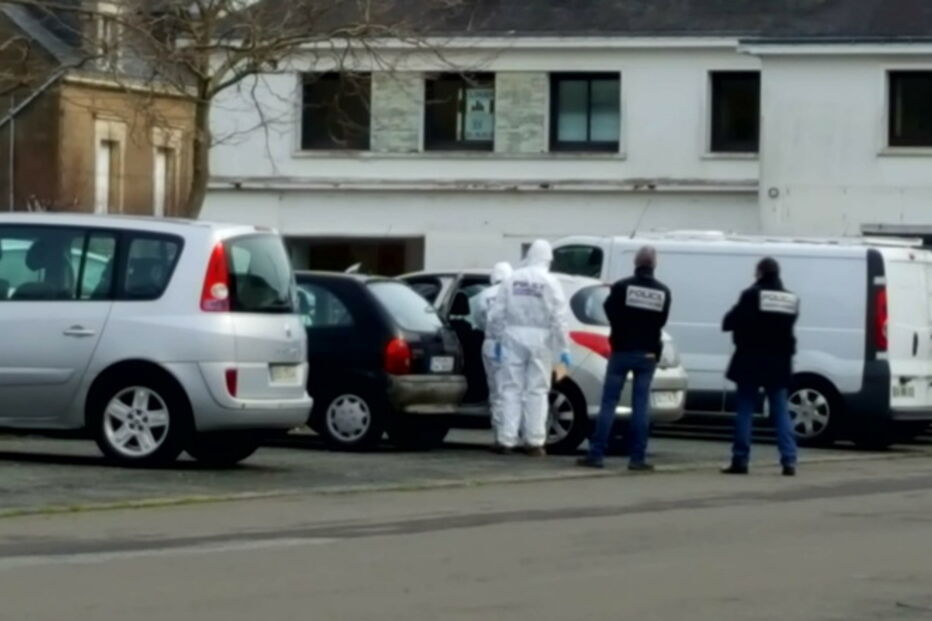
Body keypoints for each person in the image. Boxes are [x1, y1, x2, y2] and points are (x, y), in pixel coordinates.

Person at [578, 246, 671, 472]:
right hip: (648, 353)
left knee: (609, 403)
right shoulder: (663, 292)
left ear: (635, 264)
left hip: (621, 351)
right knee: (641, 406)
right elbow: (661, 321)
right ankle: (637, 458)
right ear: (654, 265)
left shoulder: (622, 287)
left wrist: (622, 329)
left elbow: (609, 310)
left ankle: (597, 454)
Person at [488, 240, 570, 456]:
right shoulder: (551, 282)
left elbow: (497, 314)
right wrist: (563, 348)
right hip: (541, 340)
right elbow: (559, 319)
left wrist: (497, 340)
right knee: (537, 390)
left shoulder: (512, 279)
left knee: (510, 389)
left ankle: (507, 439)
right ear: (548, 259)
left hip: (513, 337)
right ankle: (534, 442)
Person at [721, 257, 799, 477]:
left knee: (745, 409)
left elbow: (729, 322)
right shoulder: (791, 299)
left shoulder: (750, 295)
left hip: (751, 360)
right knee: (781, 411)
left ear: (760, 273)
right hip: (779, 362)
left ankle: (740, 460)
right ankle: (789, 461)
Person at [473, 262, 514, 448]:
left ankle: (500, 436)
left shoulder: (484, 295)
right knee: (513, 390)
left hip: (492, 345)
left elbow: (479, 320)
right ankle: (512, 434)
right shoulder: (514, 293)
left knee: (496, 391)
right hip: (513, 345)